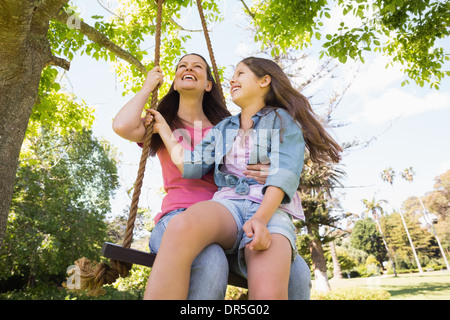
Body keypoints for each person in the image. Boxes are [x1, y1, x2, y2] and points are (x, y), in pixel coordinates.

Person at [113, 54, 311, 300]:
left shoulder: (237, 123)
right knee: (209, 256)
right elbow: (188, 163)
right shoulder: (218, 128)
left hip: (247, 210)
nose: (189, 69)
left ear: (208, 84)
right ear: (173, 82)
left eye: (198, 66)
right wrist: (153, 100)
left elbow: (287, 167)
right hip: (209, 210)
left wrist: (277, 174)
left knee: (299, 272)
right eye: (182, 66)